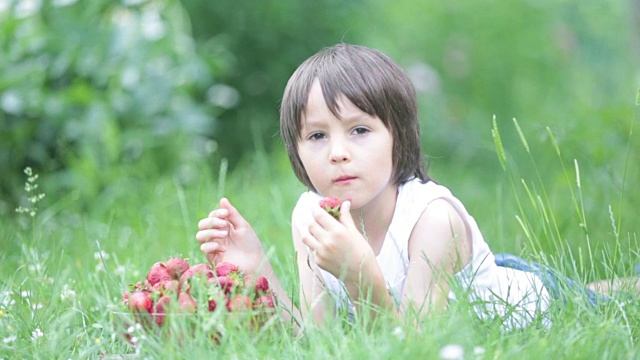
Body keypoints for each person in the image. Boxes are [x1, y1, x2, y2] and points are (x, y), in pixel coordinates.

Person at [195, 43, 636, 331]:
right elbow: (318, 337)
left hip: (527, 299)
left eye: (360, 130)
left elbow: (412, 348)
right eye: (317, 136)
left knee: (603, 302)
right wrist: (256, 268)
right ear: (295, 149)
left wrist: (360, 276)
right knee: (603, 287)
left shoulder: (433, 220)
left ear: (398, 137)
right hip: (455, 281)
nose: (337, 153)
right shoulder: (311, 215)